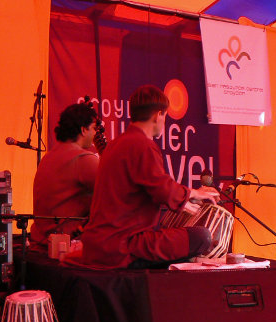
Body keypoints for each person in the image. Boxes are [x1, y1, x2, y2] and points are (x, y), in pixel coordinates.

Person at [80, 85, 219, 269]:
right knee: (201, 237)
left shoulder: (115, 145)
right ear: (158, 115)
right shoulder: (142, 145)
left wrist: (185, 199)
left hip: (97, 246)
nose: (164, 121)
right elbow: (162, 189)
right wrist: (194, 193)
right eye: (165, 116)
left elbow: (151, 188)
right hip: (123, 246)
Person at [30, 103, 99, 247]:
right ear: (83, 130)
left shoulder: (48, 156)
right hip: (65, 243)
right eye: (93, 128)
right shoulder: (83, 159)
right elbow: (116, 192)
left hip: (40, 239)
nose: (95, 134)